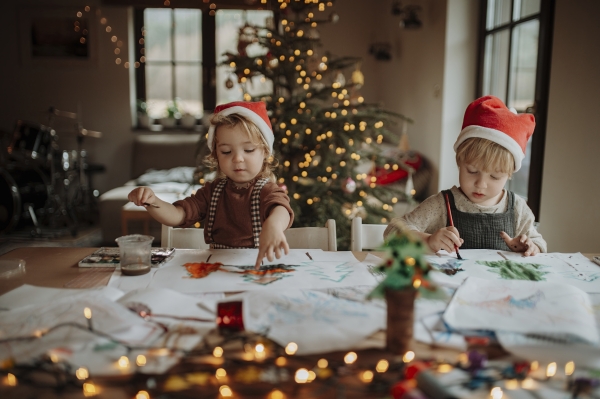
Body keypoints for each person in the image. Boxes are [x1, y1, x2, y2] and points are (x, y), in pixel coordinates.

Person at [128, 101, 294, 268]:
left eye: (249, 150)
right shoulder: (212, 191)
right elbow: (178, 215)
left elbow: (281, 209)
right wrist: (153, 201)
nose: (237, 158)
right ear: (216, 155)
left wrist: (273, 225)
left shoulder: (267, 190)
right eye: (226, 152)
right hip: (219, 267)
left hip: (257, 266)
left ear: (265, 152)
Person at [385, 95, 546, 256]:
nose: (481, 184)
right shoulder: (442, 204)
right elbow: (392, 231)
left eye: (495, 177)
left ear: (509, 174)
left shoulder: (517, 208)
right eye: (472, 171)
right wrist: (428, 241)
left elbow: (538, 243)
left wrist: (531, 247)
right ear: (459, 163)